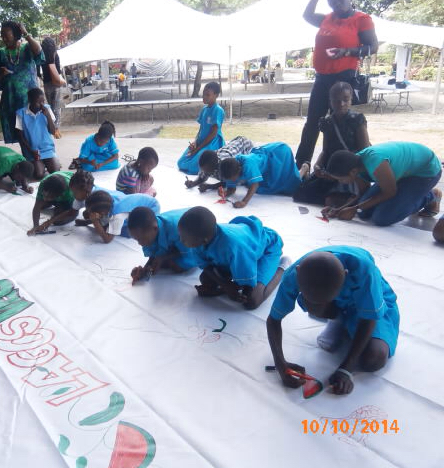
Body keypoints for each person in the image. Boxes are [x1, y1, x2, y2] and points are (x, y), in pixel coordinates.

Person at [266, 247, 399, 395]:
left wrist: (346, 369)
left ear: (345, 275)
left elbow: (369, 319)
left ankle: (341, 318)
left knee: (374, 359)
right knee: (316, 304)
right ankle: (339, 320)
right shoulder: (293, 276)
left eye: (325, 299)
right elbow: (273, 320)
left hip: (368, 299)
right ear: (298, 271)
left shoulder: (365, 272)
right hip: (337, 301)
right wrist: (280, 362)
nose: (319, 303)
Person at [295, 0, 378, 169]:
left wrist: (347, 51)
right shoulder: (327, 19)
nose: (336, 3)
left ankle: (335, 167)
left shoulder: (361, 19)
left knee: (338, 123)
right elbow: (307, 15)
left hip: (343, 78)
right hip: (322, 77)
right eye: (331, 0)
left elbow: (373, 46)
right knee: (312, 123)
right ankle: (301, 165)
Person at [177, 207, 287, 310]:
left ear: (204, 240)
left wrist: (230, 287)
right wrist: (226, 286)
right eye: (180, 236)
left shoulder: (234, 246)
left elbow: (246, 283)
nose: (181, 241)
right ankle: (226, 287)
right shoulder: (199, 239)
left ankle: (282, 268)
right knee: (206, 280)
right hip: (241, 253)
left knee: (252, 300)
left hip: (267, 249)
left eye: (184, 239)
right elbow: (206, 266)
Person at [323, 142, 442, 226]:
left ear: (352, 172)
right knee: (363, 213)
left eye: (341, 179)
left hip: (425, 172)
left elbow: (390, 192)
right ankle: (408, 193)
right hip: (401, 173)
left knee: (382, 218)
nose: (340, 182)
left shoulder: (376, 163)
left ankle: (430, 196)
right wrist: (339, 209)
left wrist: (355, 208)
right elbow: (362, 194)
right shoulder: (355, 165)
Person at [293, 81, 371, 206]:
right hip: (332, 169)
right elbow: (325, 150)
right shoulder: (327, 122)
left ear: (351, 100)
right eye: (336, 100)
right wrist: (318, 166)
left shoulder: (357, 120)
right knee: (300, 194)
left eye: (345, 99)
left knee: (333, 200)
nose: (341, 104)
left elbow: (365, 151)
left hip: (351, 171)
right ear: (330, 101)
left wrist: (351, 173)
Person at [0, 21, 44, 144]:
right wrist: (1, 73)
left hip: (30, 101)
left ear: (15, 34)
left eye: (6, 35)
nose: (4, 39)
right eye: (2, 35)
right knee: (21, 137)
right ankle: (28, 156)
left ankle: (34, 156)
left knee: (34, 135)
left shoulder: (27, 48)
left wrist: (26, 33)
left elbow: (39, 52)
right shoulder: (1, 53)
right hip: (11, 101)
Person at [218, 143, 301, 208]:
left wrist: (244, 202)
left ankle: (303, 169)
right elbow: (232, 188)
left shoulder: (248, 165)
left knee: (290, 183)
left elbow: (255, 185)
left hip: (279, 153)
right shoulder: (230, 169)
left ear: (239, 170)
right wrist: (226, 193)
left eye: (232, 179)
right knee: (268, 185)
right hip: (265, 157)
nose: (232, 181)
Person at [128, 207, 197, 284]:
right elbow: (153, 253)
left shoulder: (177, 230)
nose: (140, 243)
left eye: (142, 239)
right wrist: (145, 269)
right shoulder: (149, 230)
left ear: (155, 228)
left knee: (178, 267)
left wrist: (164, 258)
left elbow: (186, 252)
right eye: (137, 239)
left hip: (196, 224)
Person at [177, 82, 226, 175]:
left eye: (208, 95)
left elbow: (213, 134)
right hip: (201, 141)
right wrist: (195, 142)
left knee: (194, 167)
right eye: (203, 94)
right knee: (181, 163)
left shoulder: (218, 110)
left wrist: (197, 149)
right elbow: (201, 129)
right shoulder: (204, 109)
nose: (204, 97)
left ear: (216, 95)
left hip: (212, 143)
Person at [16, 87, 61, 180]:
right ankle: (40, 164)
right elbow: (20, 136)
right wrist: (31, 150)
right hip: (33, 150)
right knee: (39, 174)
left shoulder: (47, 109)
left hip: (47, 148)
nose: (42, 105)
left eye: (43, 101)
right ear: (30, 101)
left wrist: (47, 115)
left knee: (55, 171)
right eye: (38, 102)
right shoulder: (21, 113)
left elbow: (53, 131)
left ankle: (48, 162)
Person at [84, 191, 161, 244]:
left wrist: (95, 222)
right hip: (144, 200)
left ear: (102, 213)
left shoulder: (117, 216)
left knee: (128, 232)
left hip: (152, 207)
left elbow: (107, 239)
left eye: (91, 212)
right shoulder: (106, 202)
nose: (89, 214)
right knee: (107, 225)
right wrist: (87, 221)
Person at [184, 137, 254, 191]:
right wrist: (193, 183)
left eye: (207, 171)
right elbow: (202, 177)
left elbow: (229, 181)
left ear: (215, 166)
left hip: (244, 145)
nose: (205, 172)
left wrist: (210, 186)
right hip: (233, 144)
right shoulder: (208, 163)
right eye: (203, 170)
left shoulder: (225, 165)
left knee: (246, 172)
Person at [28, 171, 76, 235]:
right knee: (41, 204)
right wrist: (35, 226)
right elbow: (37, 206)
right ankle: (54, 202)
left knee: (59, 221)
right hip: (57, 192)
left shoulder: (70, 191)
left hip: (67, 197)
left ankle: (59, 204)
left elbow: (71, 211)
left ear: (60, 195)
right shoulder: (43, 184)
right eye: (44, 195)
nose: (45, 199)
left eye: (49, 197)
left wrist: (50, 221)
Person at [41, 37, 65, 138]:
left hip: (46, 84)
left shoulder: (42, 56)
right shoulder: (55, 55)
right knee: (57, 107)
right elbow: (58, 72)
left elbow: (39, 71)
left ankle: (51, 128)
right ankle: (56, 130)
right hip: (56, 84)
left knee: (50, 107)